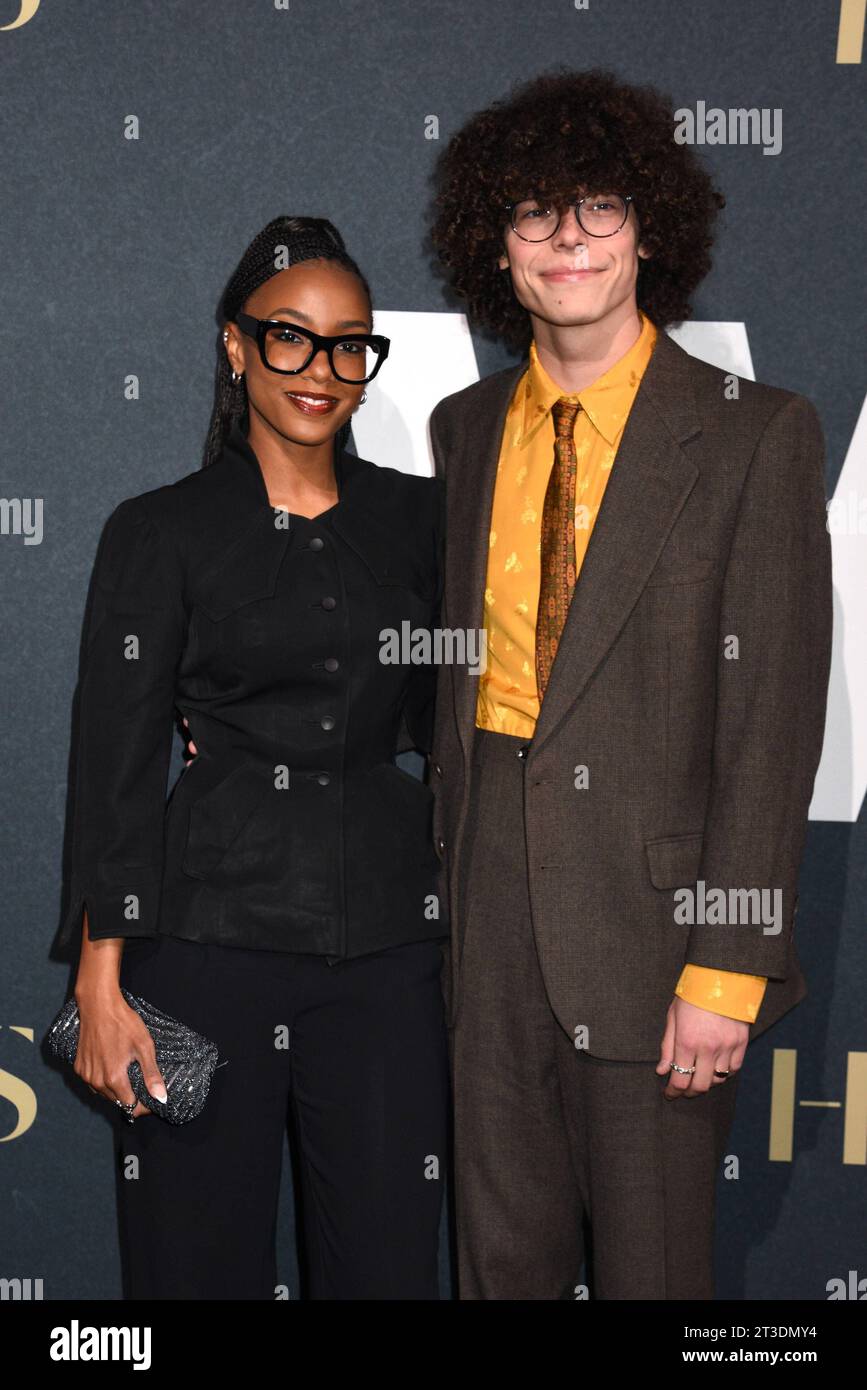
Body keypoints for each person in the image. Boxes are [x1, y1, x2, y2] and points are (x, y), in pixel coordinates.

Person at [426, 69, 833, 1299]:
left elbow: (772, 726)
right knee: (503, 1270)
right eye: (532, 212)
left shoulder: (756, 432)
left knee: (658, 1279)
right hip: (484, 907)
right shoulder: (463, 425)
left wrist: (728, 966)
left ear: (650, 226)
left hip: (662, 935)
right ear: (494, 246)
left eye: (597, 206)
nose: (565, 239)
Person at [56, 215, 449, 1300]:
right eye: (289, 338)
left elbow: (463, 717)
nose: (321, 371)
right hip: (203, 952)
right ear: (235, 346)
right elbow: (117, 763)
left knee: (384, 1266)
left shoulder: (426, 523)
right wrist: (102, 979)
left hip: (388, 957)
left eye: (349, 344)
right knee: (193, 1266)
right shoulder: (160, 530)